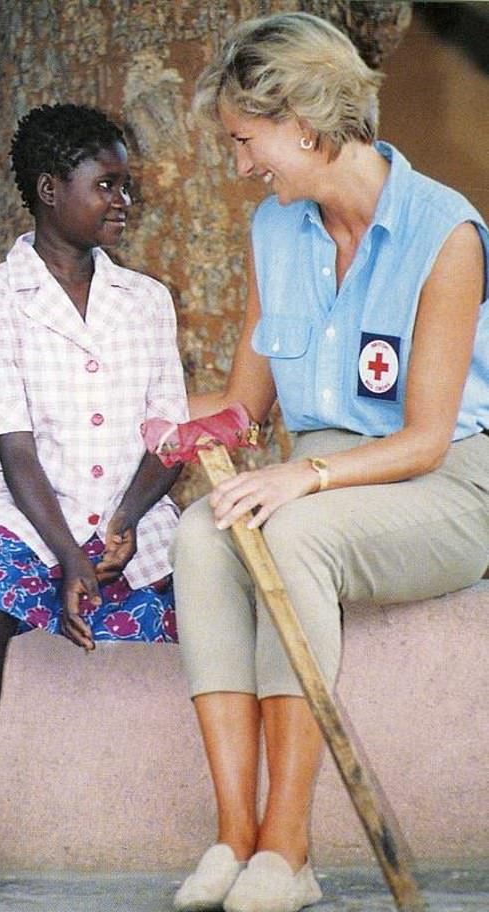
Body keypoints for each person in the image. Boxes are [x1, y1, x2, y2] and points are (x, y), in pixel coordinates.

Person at [171, 12, 489, 912]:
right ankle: (235, 838)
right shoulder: (279, 230)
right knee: (201, 534)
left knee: (294, 537)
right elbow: (245, 408)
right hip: (314, 479)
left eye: (246, 140)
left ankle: (291, 848)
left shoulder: (446, 233)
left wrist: (301, 479)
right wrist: (149, 409)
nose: (240, 166)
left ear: (304, 125)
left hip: (445, 485)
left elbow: (427, 436)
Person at [0, 102, 188, 895]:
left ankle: (246, 828)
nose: (123, 202)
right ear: (49, 189)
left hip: (129, 520)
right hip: (29, 515)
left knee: (220, 603)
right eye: (106, 185)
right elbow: (15, 451)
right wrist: (71, 556)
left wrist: (120, 527)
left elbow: (169, 441)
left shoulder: (146, 301)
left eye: (127, 187)